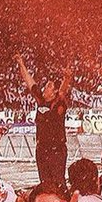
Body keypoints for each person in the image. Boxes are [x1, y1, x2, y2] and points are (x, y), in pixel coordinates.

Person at [16, 55, 73, 191]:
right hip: (41, 149)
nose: (44, 88)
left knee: (58, 183)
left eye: (48, 86)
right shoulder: (41, 100)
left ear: (53, 92)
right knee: (45, 184)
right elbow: (29, 82)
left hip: (56, 151)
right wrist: (21, 63)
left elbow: (63, 91)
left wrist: (67, 78)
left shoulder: (58, 103)